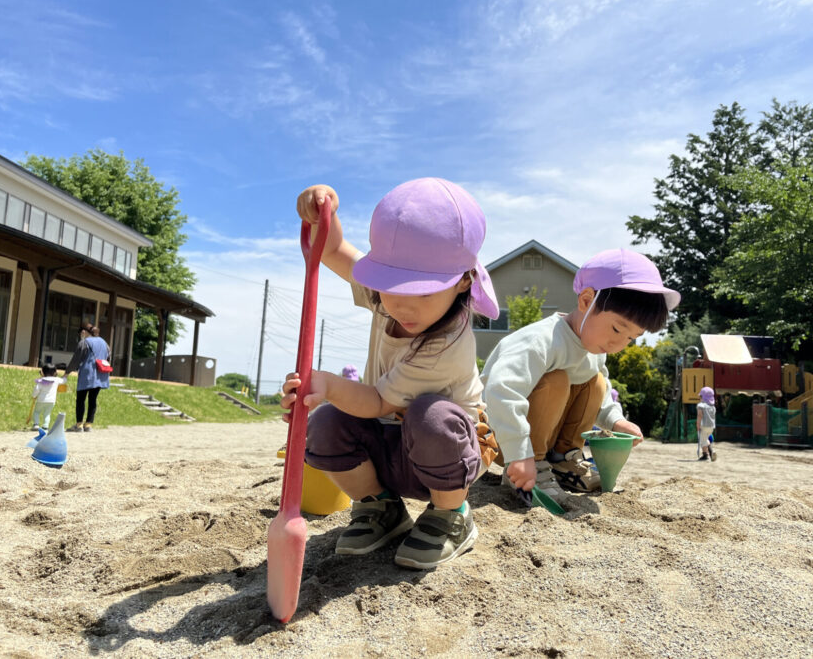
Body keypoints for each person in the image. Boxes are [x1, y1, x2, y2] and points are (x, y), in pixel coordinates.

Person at [281, 178, 499, 570]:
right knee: (326, 423)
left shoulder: (447, 343)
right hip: (387, 442)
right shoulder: (386, 295)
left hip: (448, 457)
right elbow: (330, 250)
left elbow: (378, 401)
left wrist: (327, 384)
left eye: (423, 293)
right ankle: (381, 507)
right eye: (391, 289)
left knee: (430, 416)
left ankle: (451, 515)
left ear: (464, 280)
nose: (402, 306)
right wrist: (323, 210)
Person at [481, 248, 679, 503]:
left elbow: (603, 396)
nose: (619, 344)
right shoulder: (542, 340)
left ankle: (564, 463)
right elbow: (501, 391)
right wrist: (519, 454)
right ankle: (531, 466)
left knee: (595, 382)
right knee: (557, 380)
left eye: (631, 338)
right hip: (501, 437)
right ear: (586, 301)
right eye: (617, 328)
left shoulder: (594, 348)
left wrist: (616, 421)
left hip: (540, 438)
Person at [65, 322, 111, 432]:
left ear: (83, 332)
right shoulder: (104, 343)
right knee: (93, 399)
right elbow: (108, 357)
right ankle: (88, 424)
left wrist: (67, 373)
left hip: (87, 374)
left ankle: (79, 424)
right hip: (101, 374)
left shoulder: (84, 342)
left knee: (81, 399)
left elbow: (76, 359)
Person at [30, 364, 65, 430]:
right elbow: (63, 381)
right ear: (55, 372)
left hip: (41, 400)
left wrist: (34, 396)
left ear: (42, 372)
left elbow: (36, 389)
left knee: (36, 412)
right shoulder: (57, 380)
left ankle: (36, 424)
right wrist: (65, 376)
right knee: (47, 413)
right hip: (51, 401)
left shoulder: (41, 380)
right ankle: (45, 426)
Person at [697, 386, 717, 461]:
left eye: (701, 396)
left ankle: (705, 454)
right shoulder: (713, 407)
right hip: (711, 427)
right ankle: (711, 451)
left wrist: (698, 424)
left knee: (702, 440)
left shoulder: (701, 406)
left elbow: (700, 415)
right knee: (706, 439)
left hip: (704, 425)